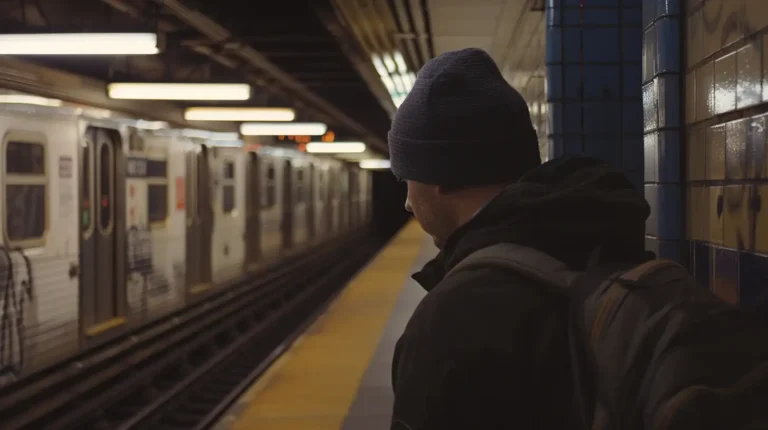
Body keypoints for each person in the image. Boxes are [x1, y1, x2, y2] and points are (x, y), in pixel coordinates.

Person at [387, 47, 654, 429]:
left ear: (440, 175)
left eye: (407, 178)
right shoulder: (606, 242)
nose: (408, 203)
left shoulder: (451, 321)